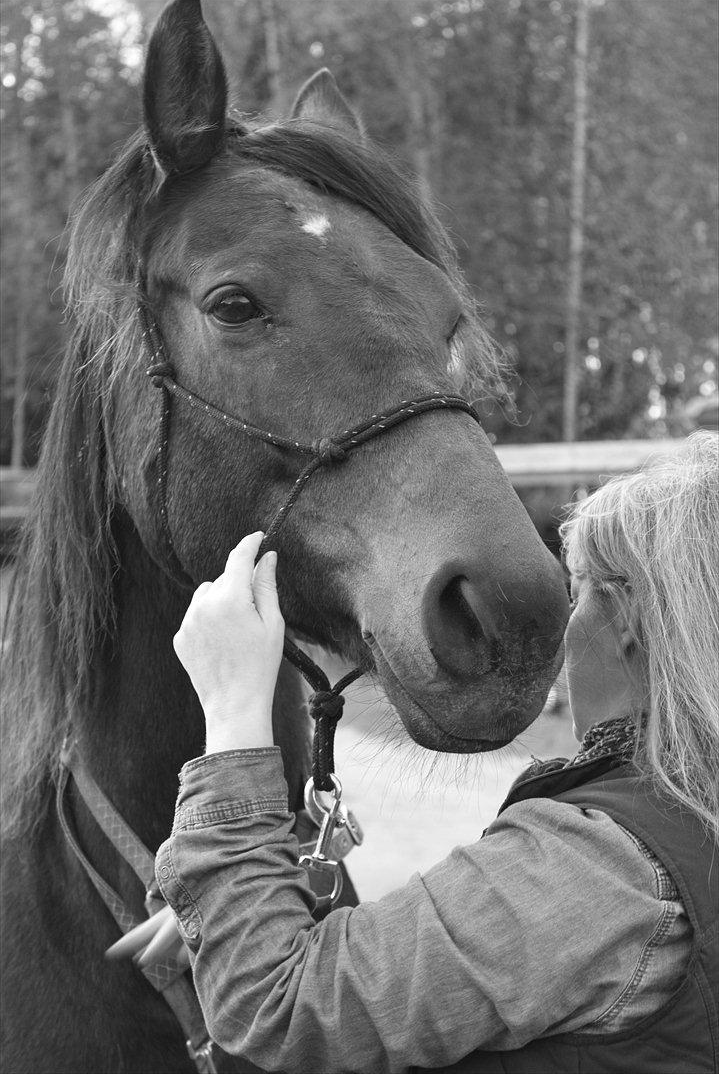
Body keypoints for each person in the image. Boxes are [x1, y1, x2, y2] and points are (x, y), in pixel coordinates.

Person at [114, 432, 719, 1074]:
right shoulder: (681, 827)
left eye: (582, 591)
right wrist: (248, 902)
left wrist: (234, 708)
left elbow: (279, 1008)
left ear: (624, 615)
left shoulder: (601, 870)